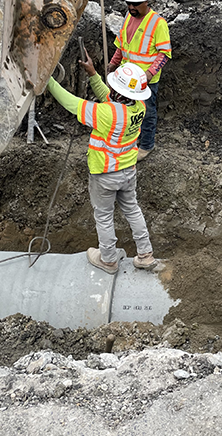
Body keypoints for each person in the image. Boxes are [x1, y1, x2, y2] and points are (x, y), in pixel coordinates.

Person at [45, 51, 159, 274]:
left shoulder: (105, 114)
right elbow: (110, 97)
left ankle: (108, 259)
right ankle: (145, 255)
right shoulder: (138, 108)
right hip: (128, 171)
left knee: (104, 216)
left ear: (118, 90)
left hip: (105, 173)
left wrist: (47, 80)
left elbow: (71, 103)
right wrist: (93, 75)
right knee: (132, 209)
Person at [108, 0, 172, 161]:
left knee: (147, 113)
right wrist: (113, 63)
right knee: (126, 111)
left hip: (145, 81)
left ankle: (146, 145)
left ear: (147, 1)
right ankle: (130, 141)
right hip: (125, 78)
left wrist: (149, 74)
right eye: (129, 3)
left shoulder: (157, 23)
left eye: (136, 4)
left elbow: (164, 54)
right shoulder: (128, 17)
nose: (131, 7)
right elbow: (122, 45)